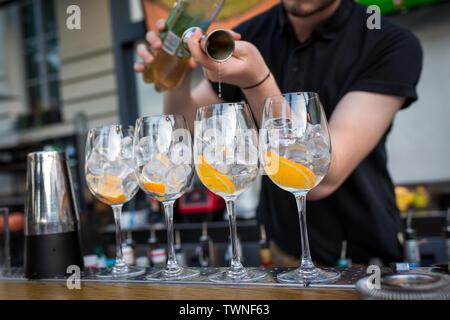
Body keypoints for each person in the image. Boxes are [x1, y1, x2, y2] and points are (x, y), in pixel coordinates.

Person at [134, 0, 423, 266]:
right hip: (282, 252)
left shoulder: (388, 41)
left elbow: (319, 177)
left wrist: (257, 82)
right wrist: (177, 71)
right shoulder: (252, 33)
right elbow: (189, 131)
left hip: (364, 258)